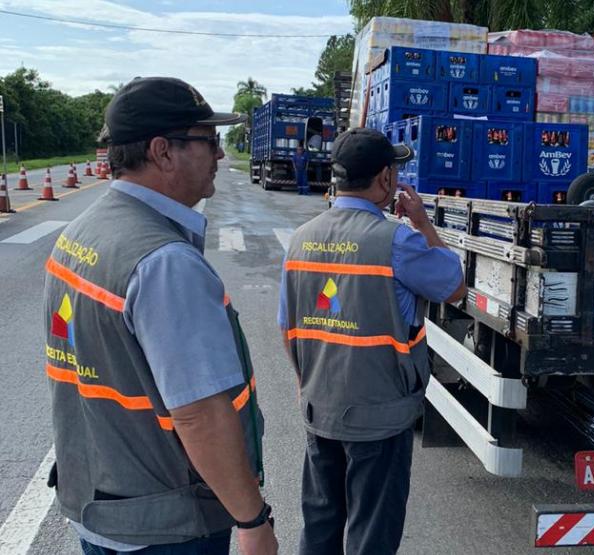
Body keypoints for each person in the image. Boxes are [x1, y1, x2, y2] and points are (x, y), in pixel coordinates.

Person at [42, 77, 278, 555]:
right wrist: (252, 520)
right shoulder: (164, 261)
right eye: (209, 142)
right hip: (165, 526)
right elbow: (200, 416)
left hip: (101, 502)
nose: (219, 155)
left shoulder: (83, 231)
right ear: (162, 152)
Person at [278, 128, 466, 555]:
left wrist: (310, 385)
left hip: (318, 408)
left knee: (321, 525)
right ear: (385, 179)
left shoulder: (299, 239)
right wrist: (422, 222)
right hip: (380, 417)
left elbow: (287, 329)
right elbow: (453, 285)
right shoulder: (397, 241)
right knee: (372, 534)